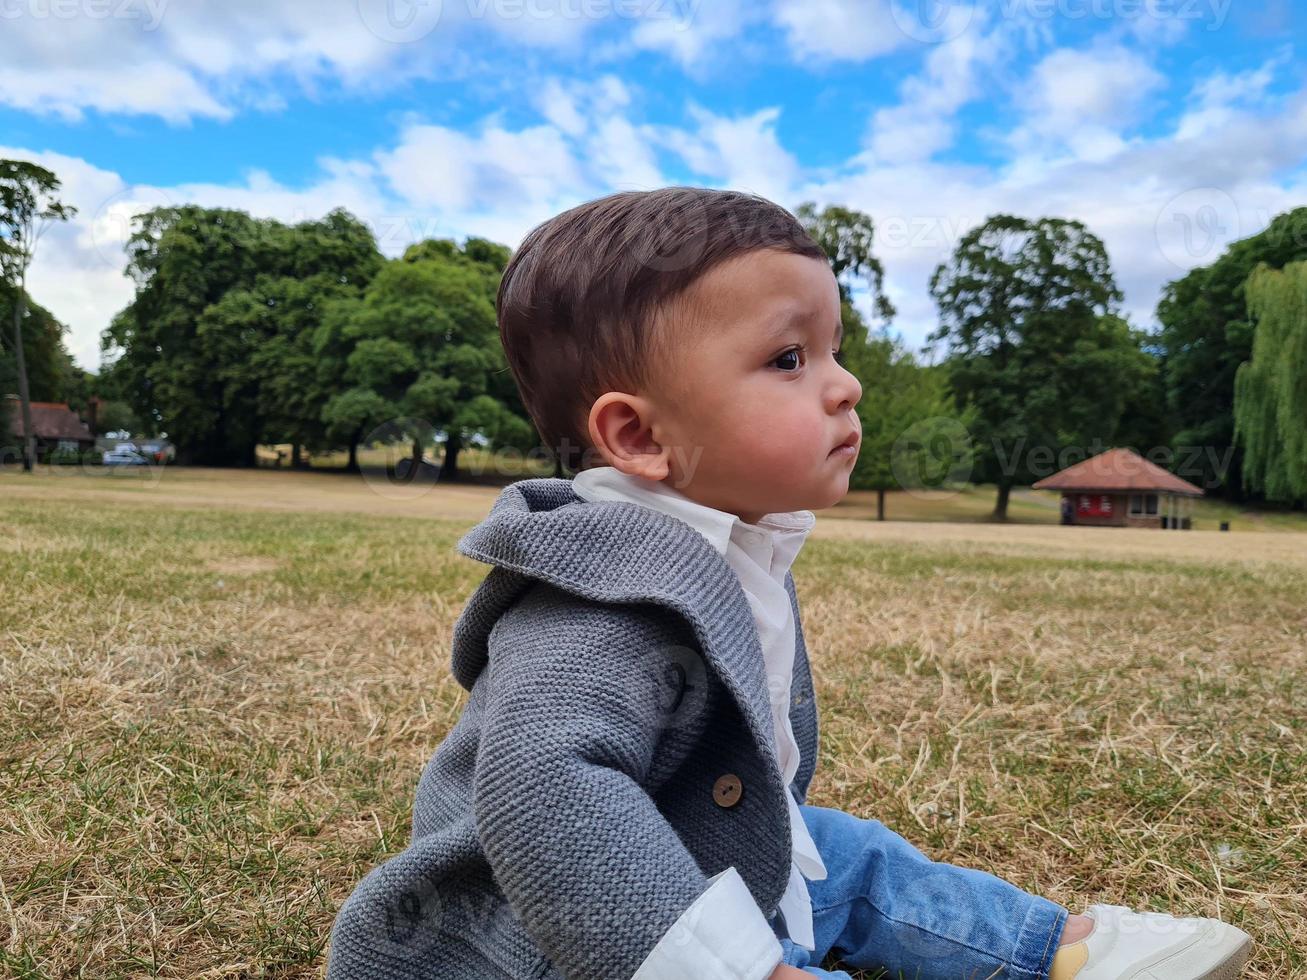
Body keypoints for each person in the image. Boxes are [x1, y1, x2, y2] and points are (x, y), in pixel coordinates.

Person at [326, 187, 1252, 980]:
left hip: (695, 847)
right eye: (788, 360)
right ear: (640, 437)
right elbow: (543, 794)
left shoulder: (732, 543)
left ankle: (1056, 947)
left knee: (852, 857)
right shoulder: (595, 598)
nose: (845, 387)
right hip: (538, 933)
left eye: (834, 349)